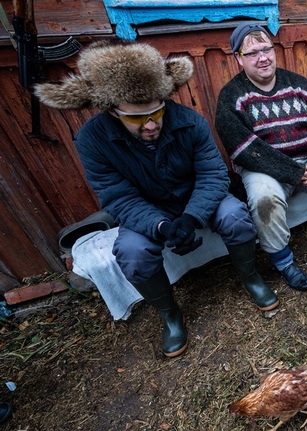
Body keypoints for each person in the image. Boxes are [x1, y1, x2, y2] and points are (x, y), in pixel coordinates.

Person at [35, 41, 279, 358]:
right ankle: (170, 314)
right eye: (137, 118)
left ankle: (251, 278)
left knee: (235, 215)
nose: (151, 125)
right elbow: (117, 196)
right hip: (148, 211)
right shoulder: (91, 140)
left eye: (156, 112)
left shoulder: (190, 122)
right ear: (111, 110)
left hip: (196, 201)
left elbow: (213, 174)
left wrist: (191, 218)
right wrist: (162, 226)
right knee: (132, 252)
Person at [214, 22, 307, 292]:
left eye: (266, 49)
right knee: (263, 199)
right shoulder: (231, 98)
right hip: (264, 168)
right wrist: (293, 173)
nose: (262, 58)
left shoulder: (298, 84)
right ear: (238, 58)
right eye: (252, 53)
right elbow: (245, 150)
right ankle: (284, 263)